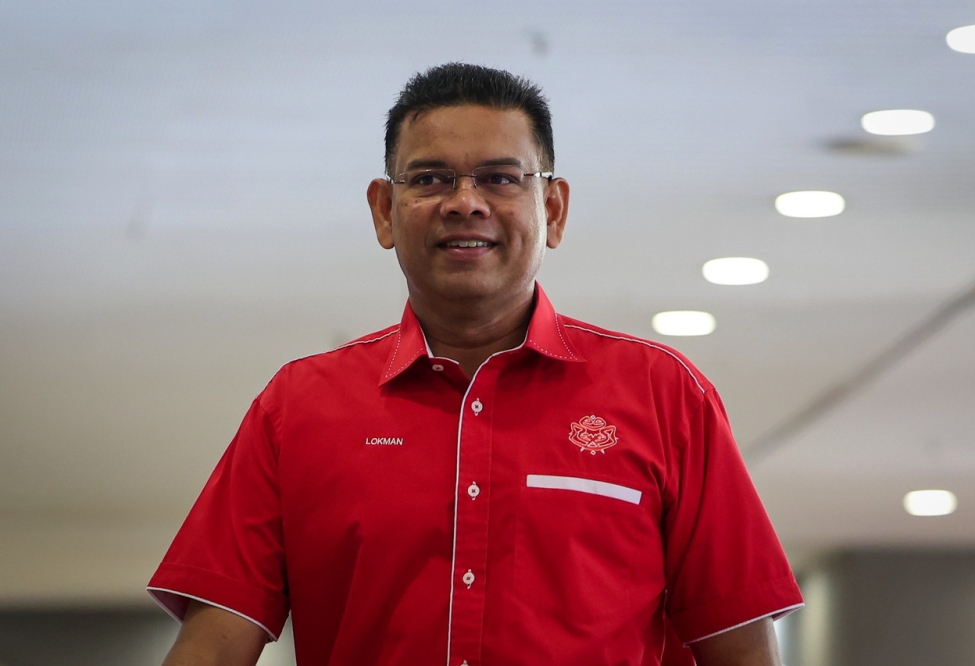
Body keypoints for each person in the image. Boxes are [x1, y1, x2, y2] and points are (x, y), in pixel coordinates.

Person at [149, 63, 803, 666]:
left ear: (552, 209)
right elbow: (213, 645)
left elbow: (740, 649)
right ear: (383, 210)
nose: (466, 201)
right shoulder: (298, 406)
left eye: (499, 177)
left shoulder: (663, 394)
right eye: (430, 178)